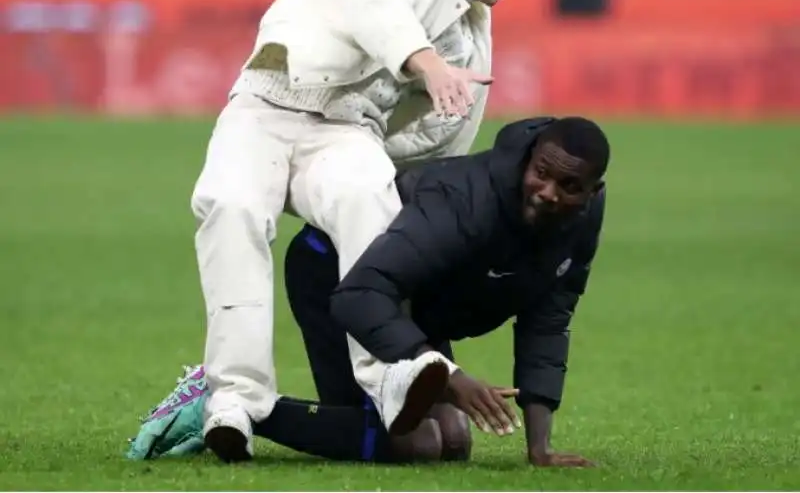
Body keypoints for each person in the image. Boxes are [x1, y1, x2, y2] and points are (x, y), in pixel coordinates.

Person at [191, 0, 560, 463]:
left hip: (345, 130)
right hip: (266, 105)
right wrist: (428, 64)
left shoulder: (473, 35)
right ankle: (232, 401)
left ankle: (390, 376)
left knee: (374, 203)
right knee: (231, 208)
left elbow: (441, 144)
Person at [127, 116, 607, 466]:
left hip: (414, 303)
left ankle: (233, 407)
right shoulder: (466, 200)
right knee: (416, 445)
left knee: (455, 442)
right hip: (336, 274)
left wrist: (539, 448)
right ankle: (218, 404)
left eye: (568, 186)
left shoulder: (579, 223)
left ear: (591, 191)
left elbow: (549, 317)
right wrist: (444, 374)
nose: (548, 192)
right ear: (528, 159)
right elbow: (362, 293)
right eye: (541, 173)